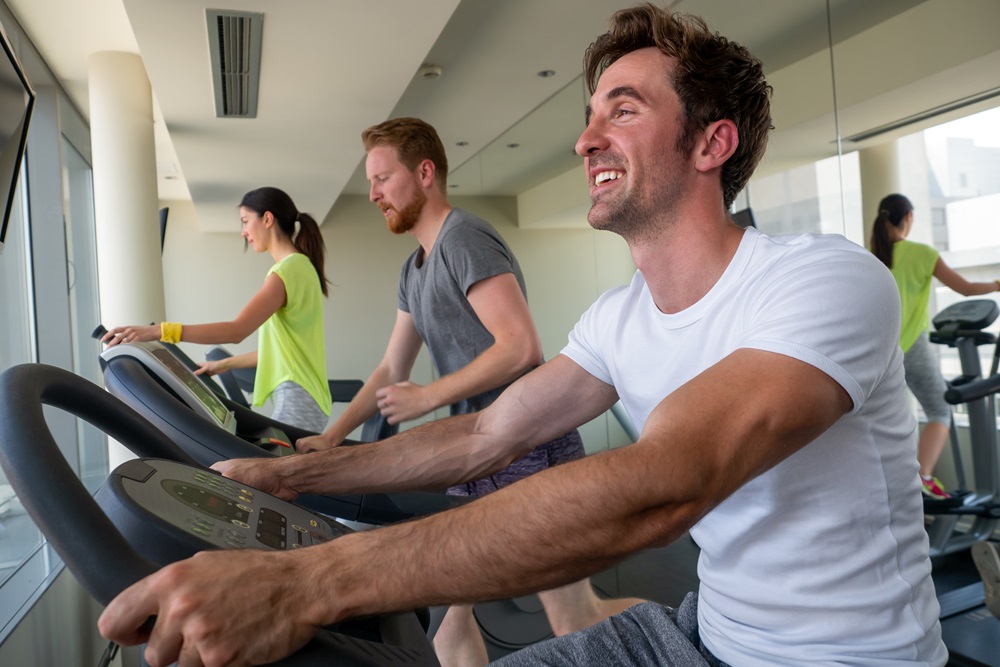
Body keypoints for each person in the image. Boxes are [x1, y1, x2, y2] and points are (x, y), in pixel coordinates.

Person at [97, 6, 948, 666]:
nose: (584, 138)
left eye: (623, 109)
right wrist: (298, 472)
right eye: (589, 114)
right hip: (697, 631)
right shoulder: (619, 318)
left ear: (711, 143)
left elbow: (667, 483)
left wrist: (308, 582)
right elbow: (487, 431)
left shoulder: (827, 280)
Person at [294, 116, 640, 666]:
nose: (373, 193)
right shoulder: (414, 268)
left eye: (383, 178)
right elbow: (390, 368)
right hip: (474, 452)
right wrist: (331, 438)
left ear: (425, 172)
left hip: (524, 439)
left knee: (571, 615)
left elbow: (520, 346)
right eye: (371, 182)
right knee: (448, 608)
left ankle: (681, 635)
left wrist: (429, 398)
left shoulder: (465, 238)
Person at [102, 186, 333, 433]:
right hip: (307, 397)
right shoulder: (302, 267)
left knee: (273, 469)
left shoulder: (286, 271)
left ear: (267, 219)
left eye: (245, 221)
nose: (243, 232)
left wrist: (161, 331)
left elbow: (236, 331)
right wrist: (223, 365)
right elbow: (281, 352)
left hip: (298, 399)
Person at [869, 193, 1000, 500]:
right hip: (912, 344)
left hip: (880, 350)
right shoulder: (921, 253)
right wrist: (997, 284)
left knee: (888, 419)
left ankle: (891, 484)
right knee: (940, 410)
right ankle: (922, 478)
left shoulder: (870, 255)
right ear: (909, 218)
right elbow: (966, 289)